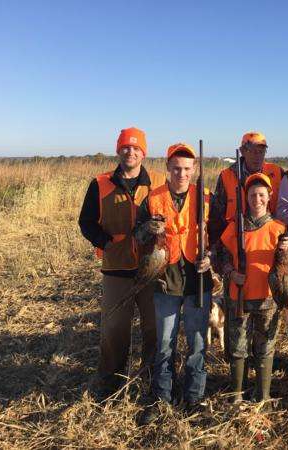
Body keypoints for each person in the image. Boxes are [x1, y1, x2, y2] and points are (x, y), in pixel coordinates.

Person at [78, 127, 166, 397]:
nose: (131, 152)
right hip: (117, 269)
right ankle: (110, 381)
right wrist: (106, 244)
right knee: (114, 328)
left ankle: (151, 377)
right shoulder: (100, 183)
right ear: (119, 150)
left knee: (154, 327)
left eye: (136, 148)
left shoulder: (159, 182)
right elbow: (86, 222)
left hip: (152, 268)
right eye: (126, 147)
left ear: (144, 152)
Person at [136, 143, 213, 425]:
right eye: (177, 168)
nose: (182, 173)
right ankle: (161, 399)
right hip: (165, 282)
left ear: (194, 170)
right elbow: (137, 236)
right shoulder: (152, 199)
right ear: (168, 168)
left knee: (197, 344)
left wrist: (212, 257)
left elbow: (219, 234)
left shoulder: (206, 196)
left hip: (198, 281)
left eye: (187, 169)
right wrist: (146, 229)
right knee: (165, 345)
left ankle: (195, 398)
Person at [217, 173, 288, 406]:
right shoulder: (234, 227)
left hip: (268, 299)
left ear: (269, 198)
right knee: (238, 347)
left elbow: (284, 265)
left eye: (261, 194)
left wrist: (285, 250)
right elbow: (222, 255)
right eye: (252, 195)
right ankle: (236, 395)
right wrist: (230, 273)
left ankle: (262, 395)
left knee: (265, 348)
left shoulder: (279, 228)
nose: (256, 199)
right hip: (240, 297)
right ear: (245, 197)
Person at [208, 131, 283, 247]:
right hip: (234, 239)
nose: (257, 156)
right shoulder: (226, 176)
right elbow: (217, 218)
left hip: (268, 239)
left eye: (261, 151)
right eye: (252, 151)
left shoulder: (278, 172)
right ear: (242, 151)